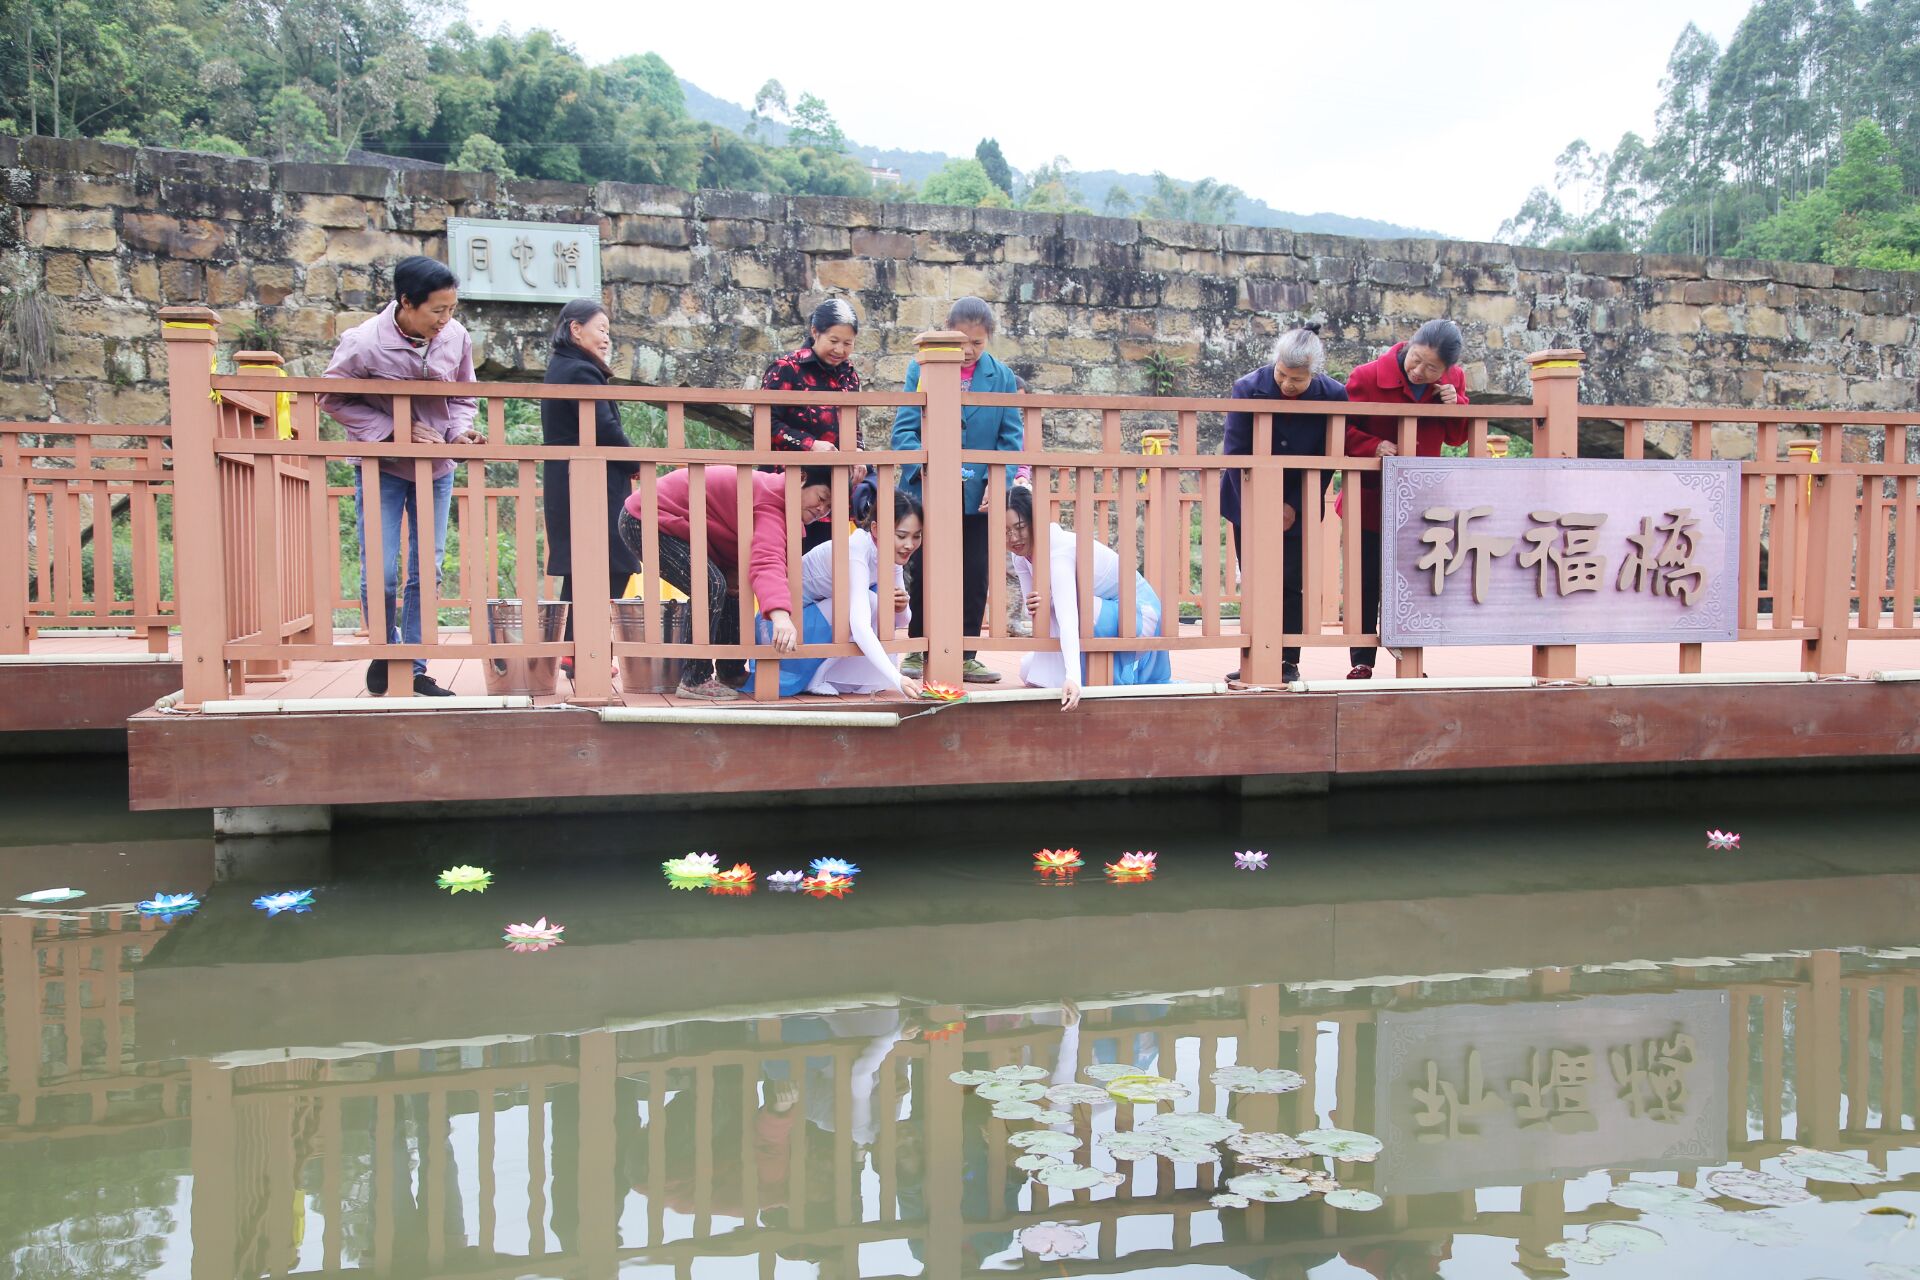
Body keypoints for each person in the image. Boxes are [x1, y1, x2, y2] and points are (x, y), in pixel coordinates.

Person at [318, 255, 483, 697]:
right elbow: (332, 397)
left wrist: (458, 431)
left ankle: (413, 666)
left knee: (427, 568)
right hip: (383, 466)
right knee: (381, 569)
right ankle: (387, 650)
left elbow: (464, 395)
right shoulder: (363, 342)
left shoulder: (456, 336)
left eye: (451, 309)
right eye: (437, 310)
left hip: (436, 466)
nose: (445, 320)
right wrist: (395, 429)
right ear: (407, 302)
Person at [891, 296, 1023, 685]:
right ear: (948, 332)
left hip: (978, 493)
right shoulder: (920, 368)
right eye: (962, 340)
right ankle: (918, 647)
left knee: (976, 572)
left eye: (977, 343)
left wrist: (998, 480)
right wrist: (928, 468)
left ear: (989, 339)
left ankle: (966, 655)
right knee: (922, 569)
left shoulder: (1002, 377)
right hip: (927, 490)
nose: (968, 350)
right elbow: (904, 431)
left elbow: (1010, 439)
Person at [617, 464, 832, 700]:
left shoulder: (777, 500)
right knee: (710, 585)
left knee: (733, 585)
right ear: (801, 478)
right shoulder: (772, 504)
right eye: (821, 498)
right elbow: (767, 562)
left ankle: (731, 671)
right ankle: (694, 678)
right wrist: (781, 617)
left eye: (829, 507)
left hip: (680, 526)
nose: (821, 509)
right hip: (646, 518)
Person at [1220, 324, 1357, 684]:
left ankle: (1287, 660)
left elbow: (1328, 458)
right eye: (1282, 374)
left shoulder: (1333, 395)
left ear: (1314, 372)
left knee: (1290, 581)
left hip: (1301, 499)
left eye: (1297, 379)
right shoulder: (1247, 388)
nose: (1287, 384)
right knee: (1255, 578)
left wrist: (1294, 504)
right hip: (1247, 494)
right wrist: (1261, 505)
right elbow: (1235, 453)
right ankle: (1254, 657)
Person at [1342, 318, 1471, 678]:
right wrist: (1371, 445)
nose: (1419, 371)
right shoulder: (1366, 376)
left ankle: (1410, 660)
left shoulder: (1454, 381)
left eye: (1432, 368)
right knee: (1366, 580)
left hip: (1420, 501)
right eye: (1417, 359)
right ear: (1409, 345)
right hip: (1370, 498)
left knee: (1414, 581)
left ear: (1447, 369)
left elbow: (1457, 438)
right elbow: (1338, 427)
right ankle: (1362, 660)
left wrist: (1456, 403)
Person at [744, 490, 926, 700]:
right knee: (869, 602)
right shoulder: (857, 549)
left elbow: (901, 621)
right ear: (876, 529)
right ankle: (815, 678)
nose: (909, 545)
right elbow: (859, 626)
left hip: (812, 624)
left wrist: (901, 607)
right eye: (901, 536)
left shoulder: (891, 554)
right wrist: (897, 678)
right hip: (780, 631)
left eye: (916, 536)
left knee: (874, 602)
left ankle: (830, 676)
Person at [540, 299, 640, 678]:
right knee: (613, 562)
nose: (606, 339)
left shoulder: (564, 366)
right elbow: (605, 428)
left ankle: (575, 650)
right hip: (591, 482)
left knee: (583, 568)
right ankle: (586, 648)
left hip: (570, 479)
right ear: (575, 329)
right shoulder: (579, 371)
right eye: (601, 329)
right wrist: (635, 461)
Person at [1005, 484, 1171, 710]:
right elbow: (1033, 608)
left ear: (1035, 522)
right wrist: (1036, 604)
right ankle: (1079, 673)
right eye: (1005, 531)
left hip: (1139, 615)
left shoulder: (1058, 552)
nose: (1014, 538)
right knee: (1028, 670)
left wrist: (1072, 677)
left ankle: (1082, 676)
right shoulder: (1020, 557)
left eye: (1020, 527)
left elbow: (1067, 615)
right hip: (1098, 614)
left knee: (1069, 604)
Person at [763, 298, 863, 552]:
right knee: (786, 558)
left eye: (848, 343)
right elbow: (765, 424)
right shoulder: (786, 369)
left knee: (827, 562)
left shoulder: (849, 375)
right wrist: (809, 445)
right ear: (815, 332)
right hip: (791, 483)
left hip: (832, 489)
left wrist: (858, 452)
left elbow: (854, 424)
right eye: (833, 340)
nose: (840, 350)